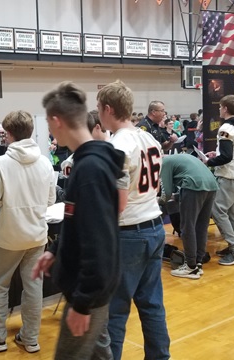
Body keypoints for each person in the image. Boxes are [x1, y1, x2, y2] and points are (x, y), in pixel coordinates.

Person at [32, 81, 124, 360]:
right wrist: (55, 251)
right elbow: (81, 225)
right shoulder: (88, 163)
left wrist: (82, 305)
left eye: (48, 123)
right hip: (90, 292)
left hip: (89, 294)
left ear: (56, 121)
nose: (48, 130)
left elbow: (100, 243)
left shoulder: (91, 169)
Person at [98, 80, 171, 360]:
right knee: (152, 305)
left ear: (107, 109)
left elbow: (118, 202)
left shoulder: (119, 145)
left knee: (114, 311)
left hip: (128, 234)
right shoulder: (148, 138)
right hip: (154, 226)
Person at [0, 110, 56, 354]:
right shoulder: (45, 161)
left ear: (9, 133)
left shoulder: (0, 163)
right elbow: (50, 199)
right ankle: (30, 338)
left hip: (9, 237)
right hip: (37, 235)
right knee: (34, 288)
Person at [202, 95, 234, 266]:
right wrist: (219, 154)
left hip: (228, 174)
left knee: (217, 209)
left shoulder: (226, 129)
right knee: (232, 211)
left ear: (224, 108)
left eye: (220, 107)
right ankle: (233, 245)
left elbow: (227, 156)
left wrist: (209, 161)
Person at [160, 154, 219, 279]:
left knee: (188, 226)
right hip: (212, 184)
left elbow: (166, 193)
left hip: (194, 185)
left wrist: (155, 201)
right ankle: (198, 262)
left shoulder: (164, 163)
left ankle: (190, 267)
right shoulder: (177, 158)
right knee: (201, 226)